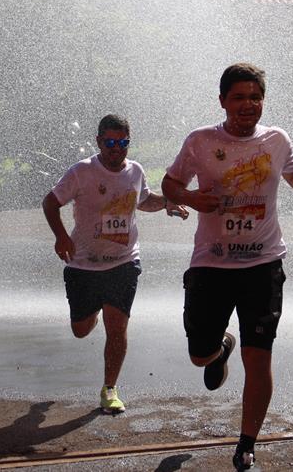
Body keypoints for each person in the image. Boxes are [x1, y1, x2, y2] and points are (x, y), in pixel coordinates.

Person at [161, 63, 293, 470]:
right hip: (211, 264)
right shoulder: (200, 141)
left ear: (263, 101)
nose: (247, 105)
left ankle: (246, 443)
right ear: (222, 101)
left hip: (263, 263)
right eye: (238, 97)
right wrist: (190, 198)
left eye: (255, 97)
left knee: (259, 358)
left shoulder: (276, 140)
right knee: (198, 355)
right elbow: (170, 185)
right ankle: (219, 347)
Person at [42, 114, 187, 414]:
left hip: (124, 263)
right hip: (83, 264)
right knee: (81, 329)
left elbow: (143, 200)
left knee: (117, 327)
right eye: (110, 142)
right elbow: (50, 203)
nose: (116, 149)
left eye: (123, 143)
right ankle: (93, 311)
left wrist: (168, 204)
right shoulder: (81, 172)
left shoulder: (135, 171)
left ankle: (110, 388)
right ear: (98, 142)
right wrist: (60, 237)